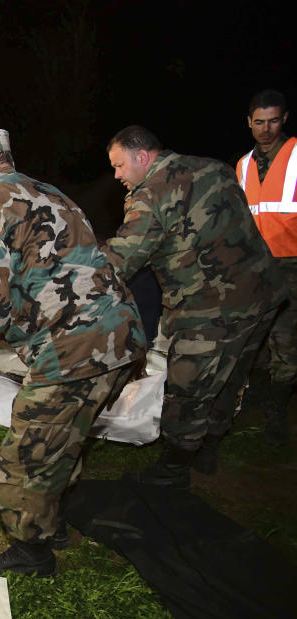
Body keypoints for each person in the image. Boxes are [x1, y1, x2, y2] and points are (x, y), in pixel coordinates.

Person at [0, 129, 147, 577]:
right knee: (65, 437)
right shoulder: (47, 191)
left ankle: (33, 553)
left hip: (74, 347)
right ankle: (54, 522)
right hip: (122, 334)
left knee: (21, 462)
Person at [105, 125, 284, 482]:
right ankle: (211, 446)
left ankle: (174, 468)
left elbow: (119, 261)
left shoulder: (150, 195)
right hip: (263, 294)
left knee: (187, 390)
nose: (117, 175)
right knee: (232, 375)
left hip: (210, 310)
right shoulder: (214, 167)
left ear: (143, 157)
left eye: (120, 165)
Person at [236, 89, 296, 445]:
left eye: (273, 120)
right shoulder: (243, 164)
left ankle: (276, 416)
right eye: (259, 122)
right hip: (254, 265)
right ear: (249, 123)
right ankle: (250, 401)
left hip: (291, 263)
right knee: (249, 337)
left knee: (286, 340)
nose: (266, 128)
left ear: (284, 119)